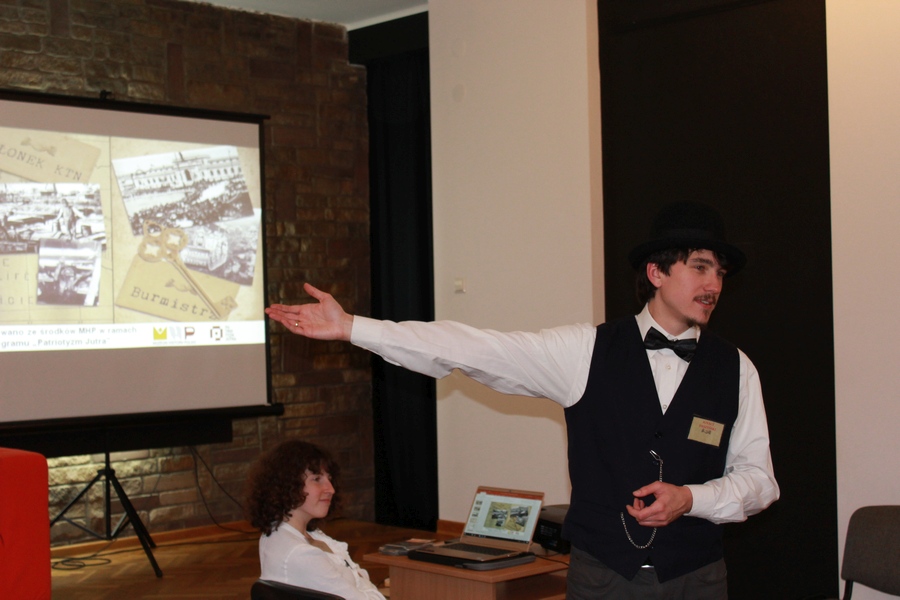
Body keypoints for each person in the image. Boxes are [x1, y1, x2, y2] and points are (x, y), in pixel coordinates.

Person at [265, 202, 780, 599]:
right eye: (701, 267)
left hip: (699, 580)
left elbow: (760, 482)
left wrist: (691, 498)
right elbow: (473, 348)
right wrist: (354, 328)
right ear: (657, 272)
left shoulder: (736, 368)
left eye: (720, 273)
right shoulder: (585, 351)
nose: (713, 284)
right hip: (605, 580)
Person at [245, 440, 386, 600]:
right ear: (288, 483)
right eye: (317, 479)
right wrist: (363, 583)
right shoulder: (300, 553)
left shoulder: (281, 533)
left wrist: (360, 582)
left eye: (329, 478)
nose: (331, 489)